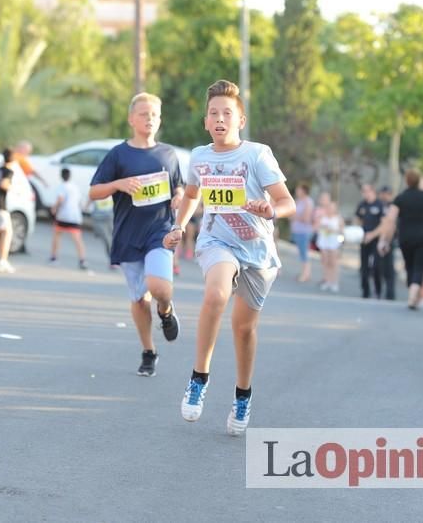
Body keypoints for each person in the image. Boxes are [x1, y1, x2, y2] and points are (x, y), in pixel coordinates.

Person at [163, 79, 295, 436]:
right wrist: (179, 225)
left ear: (241, 120)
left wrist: (270, 210)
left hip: (258, 252)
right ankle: (199, 378)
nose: (219, 119)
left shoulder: (257, 154)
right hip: (217, 241)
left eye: (227, 113)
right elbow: (192, 194)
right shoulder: (200, 156)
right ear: (206, 122)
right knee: (216, 293)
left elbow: (287, 202)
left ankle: (242, 394)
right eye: (213, 114)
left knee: (243, 329)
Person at [89, 92, 183, 378]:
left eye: (154, 114)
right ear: (131, 119)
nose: (149, 119)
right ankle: (149, 350)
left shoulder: (168, 154)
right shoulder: (119, 154)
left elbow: (180, 185)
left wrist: (178, 195)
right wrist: (119, 184)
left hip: (160, 231)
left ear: (160, 120)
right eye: (143, 114)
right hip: (128, 235)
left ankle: (166, 311)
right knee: (139, 299)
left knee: (159, 287)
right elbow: (94, 191)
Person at [376, 169, 423, 309]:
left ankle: (411, 294)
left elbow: (390, 220)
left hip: (406, 236)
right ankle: (414, 295)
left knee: (409, 265)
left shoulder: (400, 198)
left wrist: (384, 239)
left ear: (406, 181)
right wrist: (420, 179)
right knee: (419, 266)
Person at [50, 168, 88, 270]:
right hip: (75, 216)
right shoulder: (75, 187)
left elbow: (60, 199)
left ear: (61, 176)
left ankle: (54, 257)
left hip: (63, 216)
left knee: (57, 236)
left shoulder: (61, 186)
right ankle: (82, 260)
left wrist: (54, 209)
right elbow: (80, 202)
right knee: (78, 239)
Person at [356, 183, 386, 298]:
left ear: (372, 191)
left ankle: (378, 290)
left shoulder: (379, 205)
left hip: (376, 239)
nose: (365, 193)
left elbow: (384, 224)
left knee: (376, 266)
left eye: (367, 191)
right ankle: (365, 291)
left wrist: (372, 234)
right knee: (364, 267)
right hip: (364, 240)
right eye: (363, 191)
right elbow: (358, 219)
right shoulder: (362, 205)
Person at [0, 149, 16, 274]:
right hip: (0, 205)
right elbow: (4, 184)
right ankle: (2, 260)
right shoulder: (8, 172)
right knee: (7, 232)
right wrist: (13, 188)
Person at [315, 200, 344, 293]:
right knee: (325, 261)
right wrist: (322, 227)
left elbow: (342, 231)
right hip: (324, 242)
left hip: (334, 242)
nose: (330, 209)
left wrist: (333, 230)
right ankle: (326, 280)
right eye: (329, 207)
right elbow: (316, 227)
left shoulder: (338, 218)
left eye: (332, 208)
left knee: (333, 262)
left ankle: (334, 282)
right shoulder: (322, 217)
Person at [291, 182, 314, 283]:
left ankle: (306, 274)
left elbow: (306, 218)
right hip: (297, 230)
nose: (297, 191)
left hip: (304, 231)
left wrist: (294, 217)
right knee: (301, 253)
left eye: (299, 189)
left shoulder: (308, 202)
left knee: (304, 253)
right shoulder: (298, 201)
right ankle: (304, 272)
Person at [377, 185, 396, 300]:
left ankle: (390, 294)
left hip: (388, 240)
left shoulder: (392, 206)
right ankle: (381, 292)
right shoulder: (381, 205)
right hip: (382, 238)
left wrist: (386, 241)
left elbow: (391, 225)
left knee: (389, 268)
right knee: (380, 268)